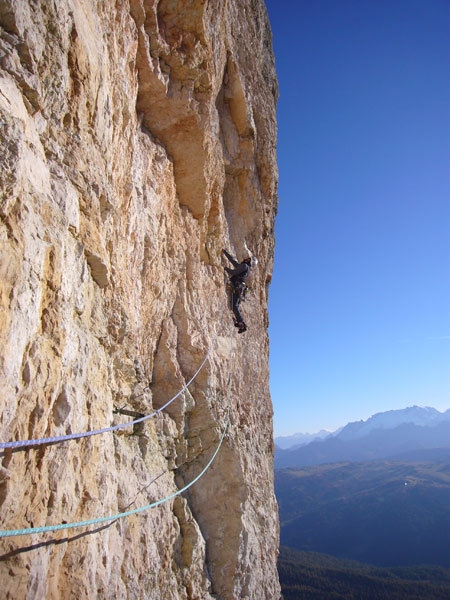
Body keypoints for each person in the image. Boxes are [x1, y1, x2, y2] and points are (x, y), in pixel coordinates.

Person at [222, 249, 257, 333]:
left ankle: (242, 323)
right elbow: (233, 261)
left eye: (248, 258)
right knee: (235, 306)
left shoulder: (245, 266)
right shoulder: (244, 267)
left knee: (234, 306)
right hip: (239, 288)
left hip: (238, 287)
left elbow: (234, 272)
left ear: (249, 261)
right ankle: (240, 322)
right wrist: (225, 252)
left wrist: (226, 269)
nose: (245, 258)